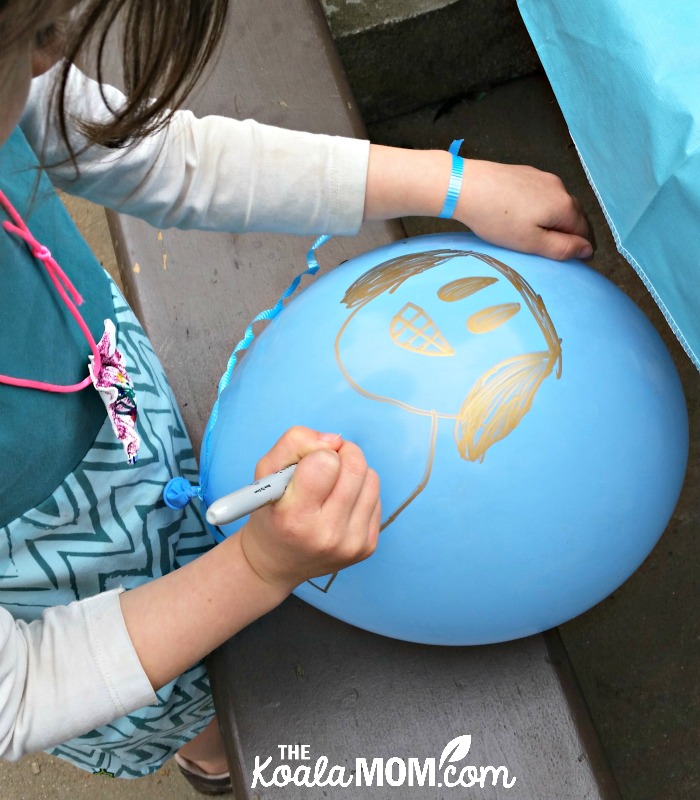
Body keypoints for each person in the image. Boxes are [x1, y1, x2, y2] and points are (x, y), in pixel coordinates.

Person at [0, 0, 593, 794]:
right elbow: (23, 690)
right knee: (196, 696)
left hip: (131, 437)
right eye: (34, 39)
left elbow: (155, 155)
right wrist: (256, 568)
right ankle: (215, 753)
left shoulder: (18, 92)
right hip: (76, 592)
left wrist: (452, 183)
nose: (53, 56)